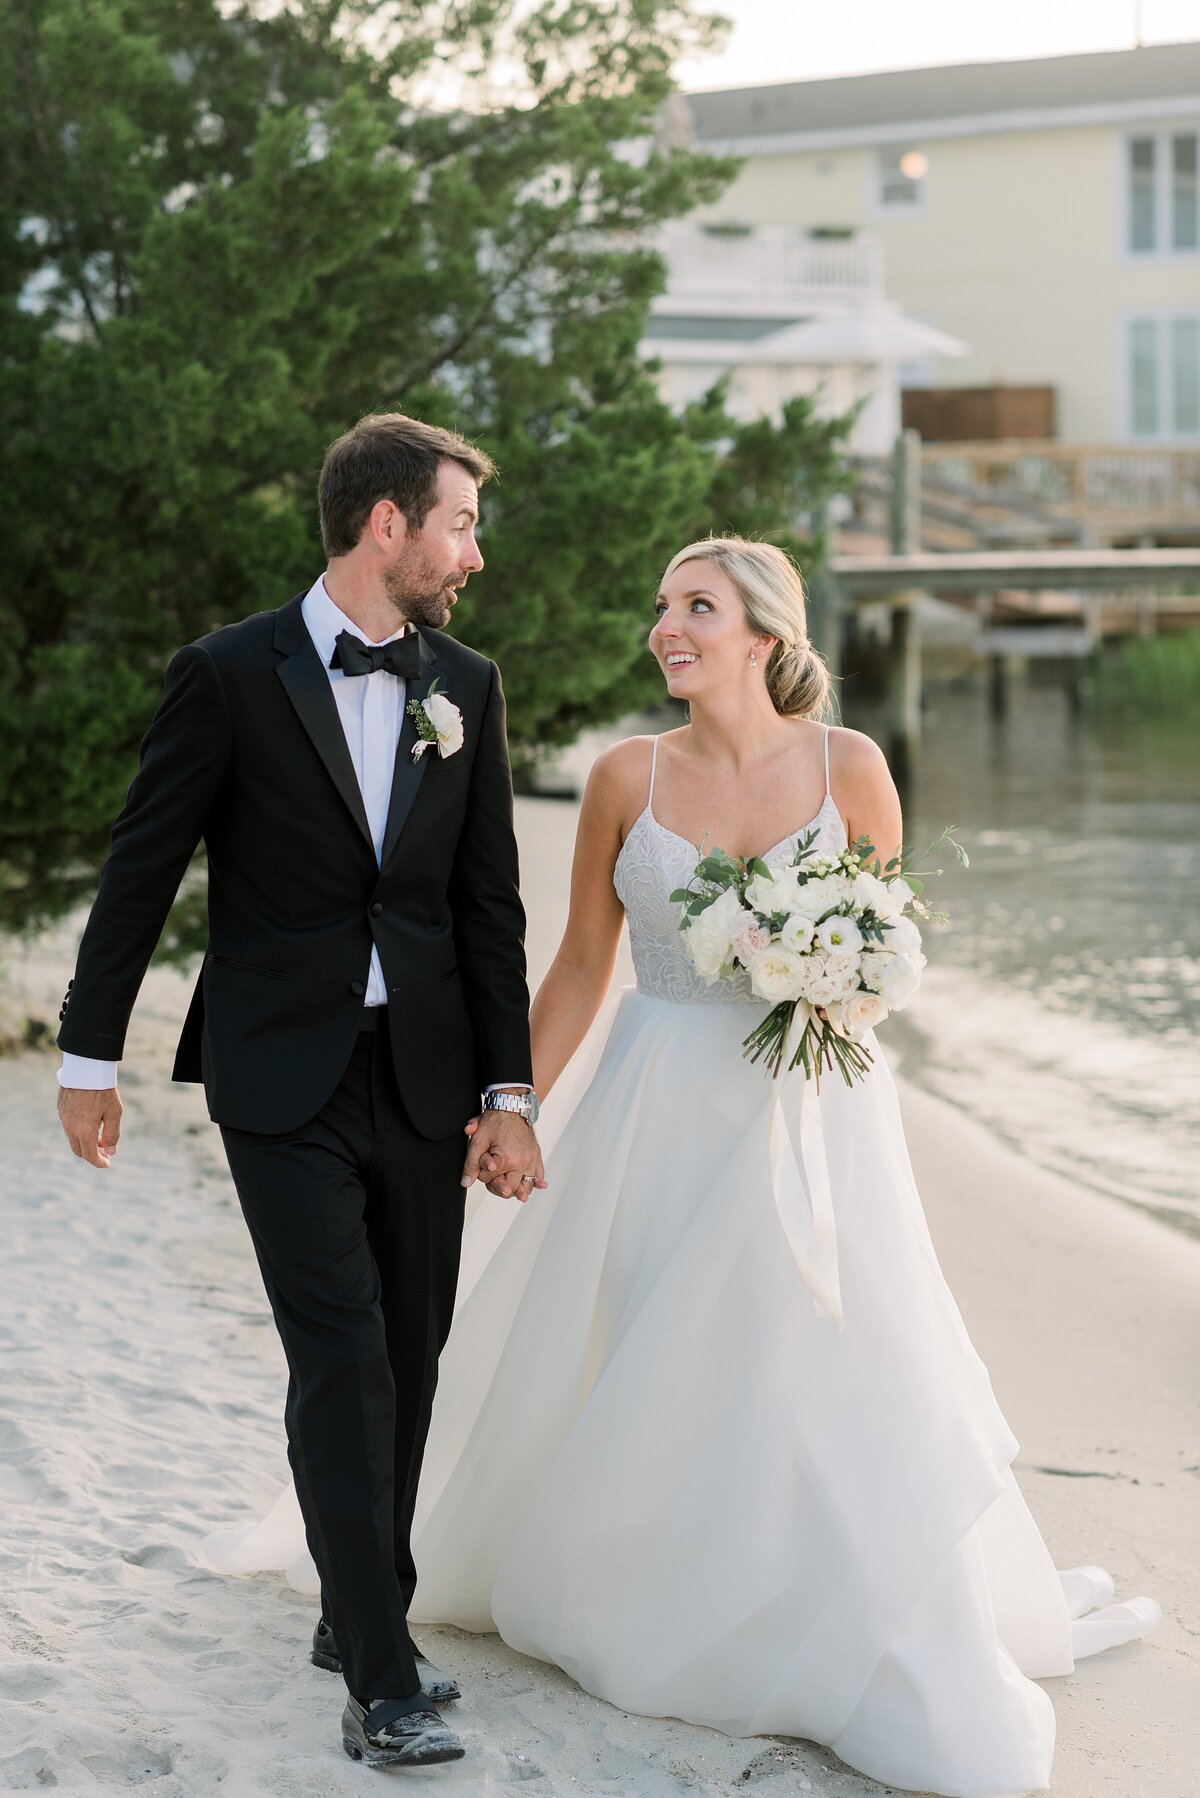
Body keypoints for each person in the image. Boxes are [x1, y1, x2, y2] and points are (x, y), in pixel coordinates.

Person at [206, 535, 1160, 1795]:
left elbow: (886, 947)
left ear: (762, 635)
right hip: (656, 1103)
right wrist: (511, 1107)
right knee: (651, 1344)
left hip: (814, 1113)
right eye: (661, 606)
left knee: (816, 1355)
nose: (667, 626)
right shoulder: (624, 776)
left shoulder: (852, 767)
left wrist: (836, 976)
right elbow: (583, 968)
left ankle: (816, 1591)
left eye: (696, 607)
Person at [55, 413, 546, 1771]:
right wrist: (88, 1058)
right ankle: (381, 1679)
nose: (472, 552)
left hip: (429, 1074)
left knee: (410, 1348)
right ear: (384, 524)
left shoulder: (469, 684)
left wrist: (509, 1089)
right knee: (339, 1353)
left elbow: (487, 907)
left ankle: (354, 1597)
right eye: (457, 523)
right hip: (280, 1073)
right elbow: (140, 870)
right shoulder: (227, 675)